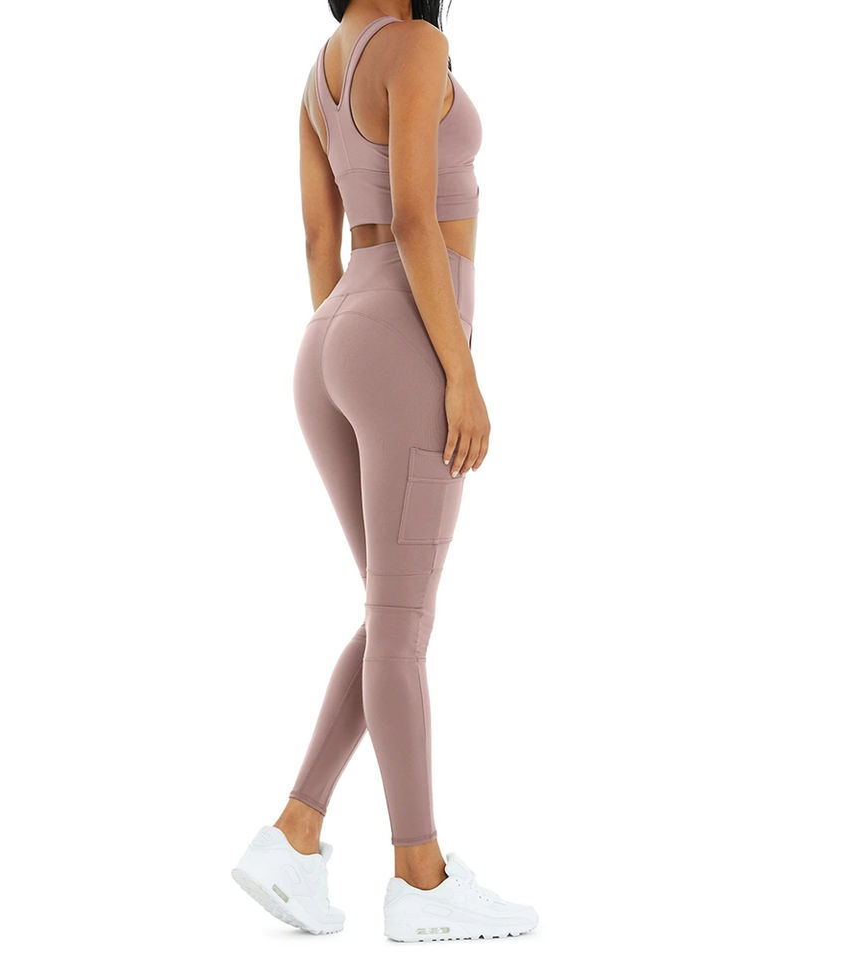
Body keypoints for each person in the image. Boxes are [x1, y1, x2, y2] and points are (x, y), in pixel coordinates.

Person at [231, 2, 538, 942]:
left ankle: (295, 833)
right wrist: (459, 373)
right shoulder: (416, 43)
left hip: (330, 337)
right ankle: (421, 877)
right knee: (401, 628)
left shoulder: (320, 71)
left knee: (390, 615)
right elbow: (413, 215)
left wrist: (352, 343)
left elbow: (318, 240)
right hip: (404, 338)